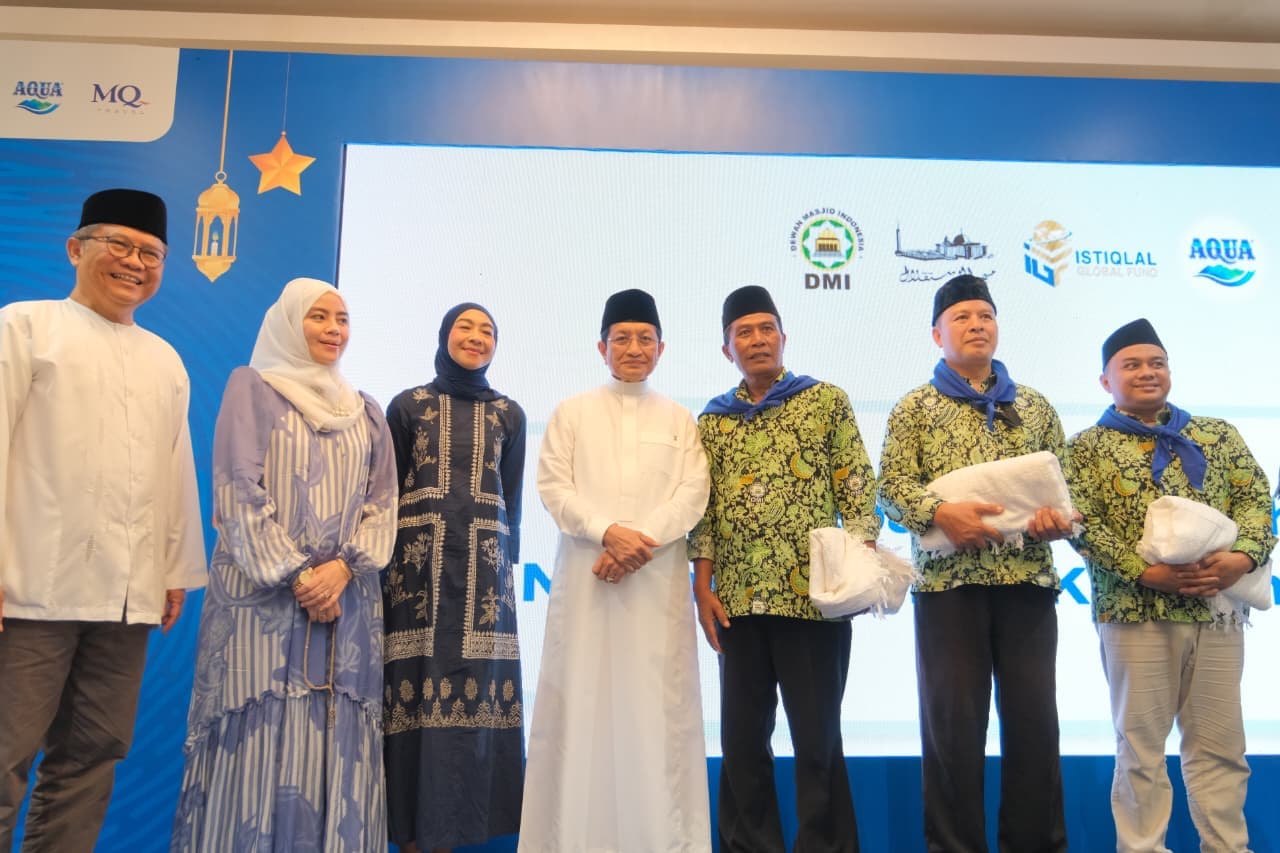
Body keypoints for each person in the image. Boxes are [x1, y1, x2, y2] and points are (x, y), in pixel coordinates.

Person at [0, 188, 207, 851]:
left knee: (91, 759)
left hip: (126, 598)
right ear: (75, 248)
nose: (133, 261)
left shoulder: (165, 359)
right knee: (4, 757)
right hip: (31, 588)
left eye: (149, 252)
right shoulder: (24, 327)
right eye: (117, 244)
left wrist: (172, 568)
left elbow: (176, 472)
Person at [171, 277, 397, 851]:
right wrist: (298, 575)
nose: (333, 330)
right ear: (288, 323)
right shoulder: (254, 390)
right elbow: (237, 492)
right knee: (260, 738)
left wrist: (342, 570)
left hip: (345, 608)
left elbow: (383, 507)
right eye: (318, 317)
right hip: (262, 609)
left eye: (342, 319)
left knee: (335, 736)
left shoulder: (367, 412)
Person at [877, 274, 1071, 853]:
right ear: (938, 333)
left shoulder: (1033, 405)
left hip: (1027, 584)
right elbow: (890, 489)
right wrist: (941, 511)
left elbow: (1066, 490)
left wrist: (1057, 519)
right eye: (962, 318)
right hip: (948, 591)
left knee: (1035, 728)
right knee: (953, 734)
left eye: (985, 315)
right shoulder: (914, 407)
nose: (976, 325)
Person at [1066, 318, 1275, 853]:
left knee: (1221, 747)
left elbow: (1255, 500)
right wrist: (1146, 572)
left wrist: (1243, 557)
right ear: (1105, 381)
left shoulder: (1216, 435)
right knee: (1141, 751)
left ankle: (1228, 847)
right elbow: (1080, 523)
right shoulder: (1086, 448)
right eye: (1131, 365)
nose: (1147, 372)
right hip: (1136, 611)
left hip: (1218, 608)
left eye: (1156, 362)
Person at [689, 285, 879, 853]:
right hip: (740, 605)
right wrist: (702, 585)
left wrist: (861, 560)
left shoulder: (825, 401)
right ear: (727, 350)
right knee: (744, 745)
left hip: (813, 602)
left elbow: (857, 486)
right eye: (743, 333)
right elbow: (705, 511)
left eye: (765, 328)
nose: (756, 340)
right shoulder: (713, 421)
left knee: (817, 741)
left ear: (782, 336)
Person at [521, 289, 712, 852]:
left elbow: (692, 494)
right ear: (601, 347)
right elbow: (555, 487)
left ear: (662, 348)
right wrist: (608, 532)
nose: (634, 349)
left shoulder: (680, 419)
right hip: (588, 582)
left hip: (654, 586)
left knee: (657, 718)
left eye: (645, 339)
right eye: (622, 339)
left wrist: (637, 542)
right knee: (581, 708)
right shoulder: (571, 412)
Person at [381, 303, 526, 853]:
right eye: (465, 327)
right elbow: (385, 495)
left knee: (470, 724)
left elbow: (509, 502)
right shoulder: (407, 407)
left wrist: (500, 574)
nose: (476, 337)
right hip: (414, 585)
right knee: (411, 718)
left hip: (484, 589)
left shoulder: (509, 414)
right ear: (444, 337)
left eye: (487, 330)